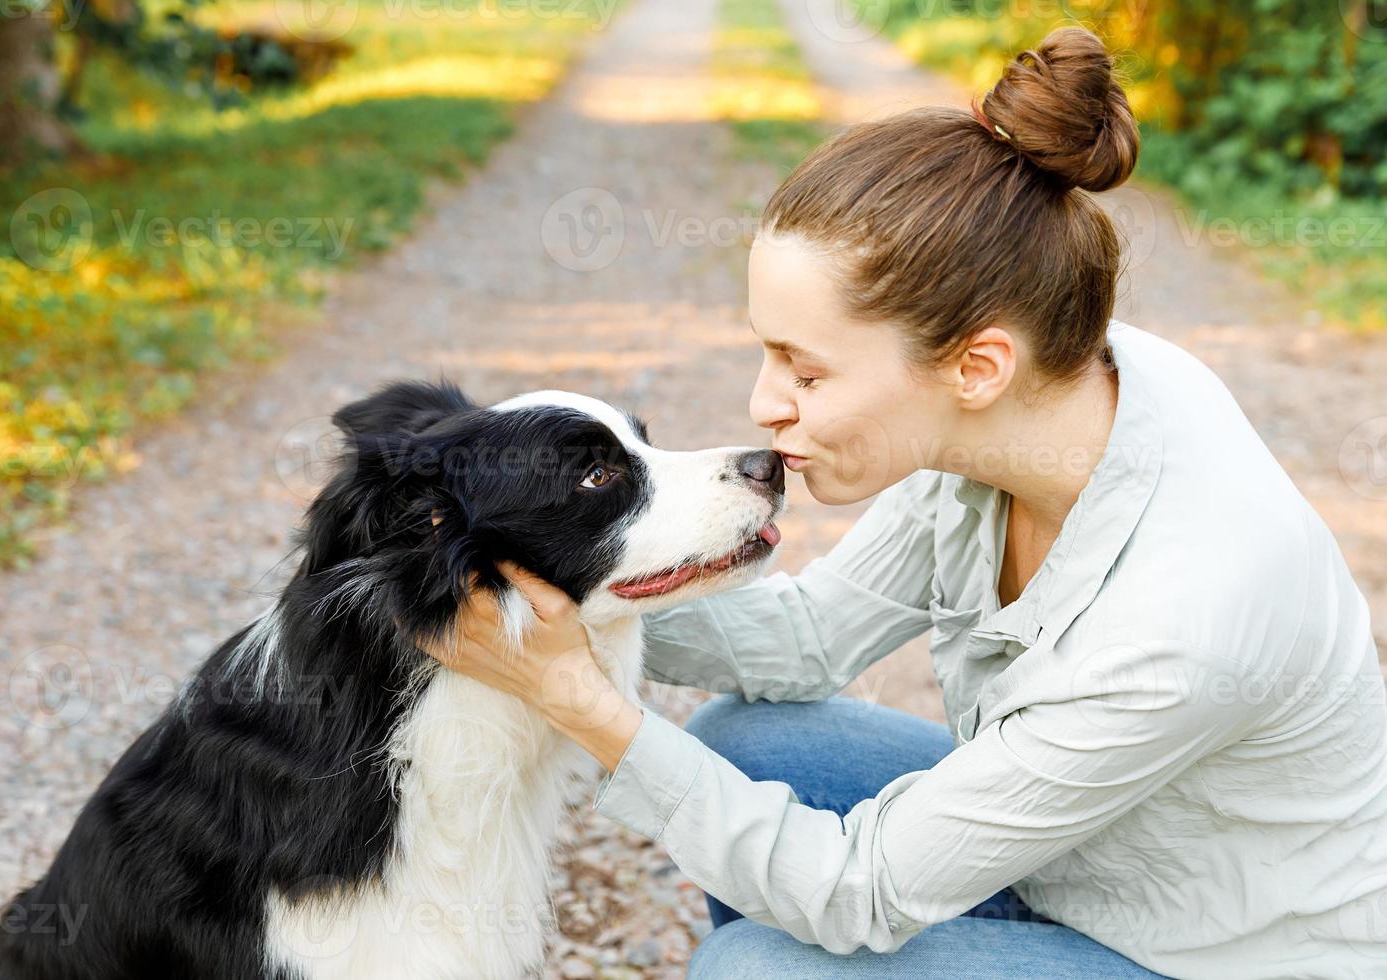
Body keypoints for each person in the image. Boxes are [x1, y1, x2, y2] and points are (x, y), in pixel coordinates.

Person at [421, 26, 1387, 979]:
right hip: (1075, 863)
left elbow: (860, 894)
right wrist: (539, 590)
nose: (764, 406)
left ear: (975, 366)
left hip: (1207, 953)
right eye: (769, 353)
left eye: (807, 370)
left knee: (758, 970)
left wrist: (577, 699)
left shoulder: (1186, 614)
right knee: (742, 743)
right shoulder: (1040, 393)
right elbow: (807, 641)